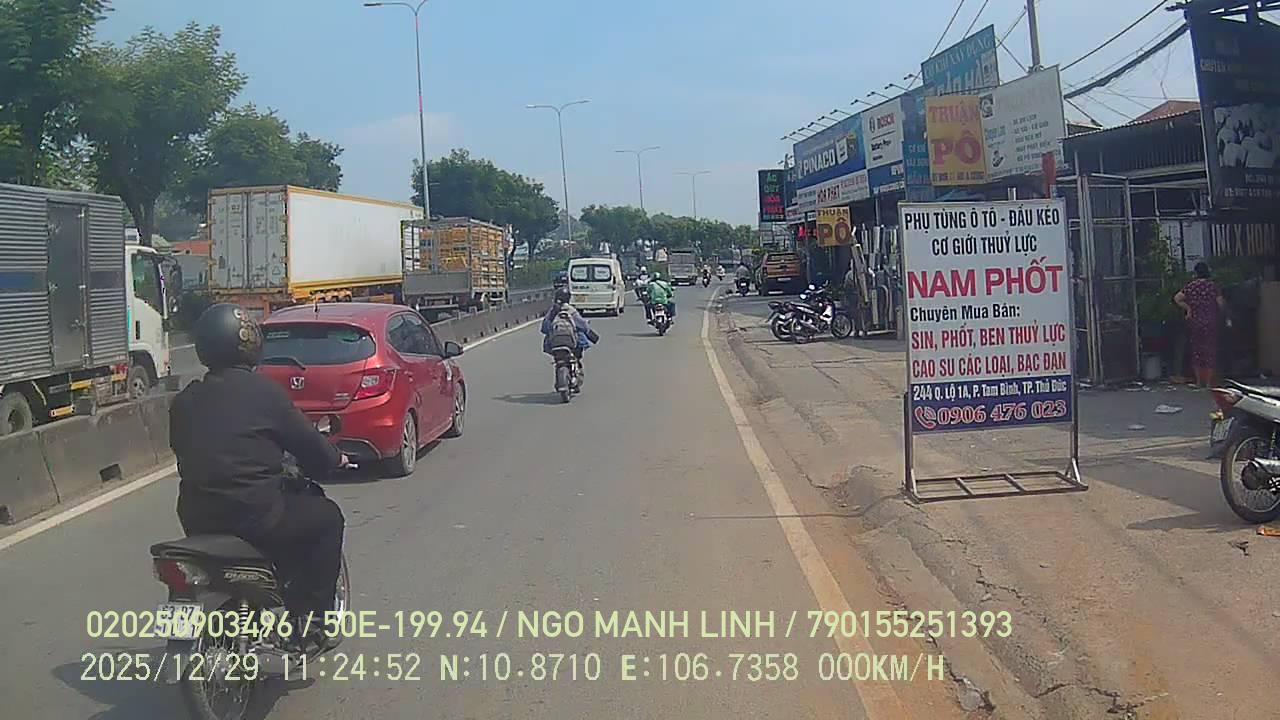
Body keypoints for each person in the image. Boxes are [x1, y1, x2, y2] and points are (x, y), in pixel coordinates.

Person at [170, 304, 348, 648]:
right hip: (254, 518)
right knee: (328, 519)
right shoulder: (265, 393)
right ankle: (311, 624)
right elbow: (310, 445)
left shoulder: (184, 401)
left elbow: (187, 451)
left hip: (197, 519)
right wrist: (335, 458)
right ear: (248, 344)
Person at [1175, 261, 1228, 388]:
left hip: (1195, 322)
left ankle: (1199, 381)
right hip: (1210, 322)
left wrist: (1188, 308)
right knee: (1209, 350)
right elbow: (1220, 303)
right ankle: (1209, 382)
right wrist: (1225, 315)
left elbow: (1177, 298)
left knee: (1197, 350)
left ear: (1196, 273)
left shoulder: (1191, 286)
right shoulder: (1212, 286)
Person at [541, 287, 599, 363]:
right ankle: (576, 360)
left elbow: (544, 329)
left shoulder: (552, 312)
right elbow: (583, 326)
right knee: (579, 332)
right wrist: (592, 335)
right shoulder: (571, 310)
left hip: (553, 344)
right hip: (572, 343)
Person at [843, 261, 868, 338]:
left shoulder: (850, 274)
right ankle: (862, 330)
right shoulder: (857, 274)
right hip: (857, 296)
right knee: (861, 314)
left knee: (856, 315)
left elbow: (846, 286)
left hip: (854, 296)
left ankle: (858, 331)